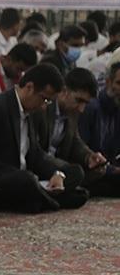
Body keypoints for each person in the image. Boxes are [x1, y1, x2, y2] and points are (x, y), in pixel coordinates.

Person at [0, 64, 88, 213]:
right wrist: (19, 174)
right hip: (0, 178)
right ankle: (48, 199)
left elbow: (36, 154)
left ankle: (43, 196)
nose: (44, 107)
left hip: (26, 177)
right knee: (26, 181)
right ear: (29, 87)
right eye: (44, 99)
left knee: (75, 172)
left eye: (48, 102)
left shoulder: (30, 111)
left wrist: (57, 174)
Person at [32, 68, 115, 197]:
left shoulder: (72, 113)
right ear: (64, 91)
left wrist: (89, 157)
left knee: (89, 179)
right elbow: (35, 151)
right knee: (76, 173)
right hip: (41, 166)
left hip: (59, 167)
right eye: (79, 100)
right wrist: (63, 168)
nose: (81, 109)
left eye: (85, 103)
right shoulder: (43, 107)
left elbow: (75, 141)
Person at [79, 62, 120, 196]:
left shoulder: (117, 108)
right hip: (92, 171)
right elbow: (81, 150)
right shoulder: (91, 108)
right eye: (119, 83)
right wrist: (111, 169)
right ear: (108, 82)